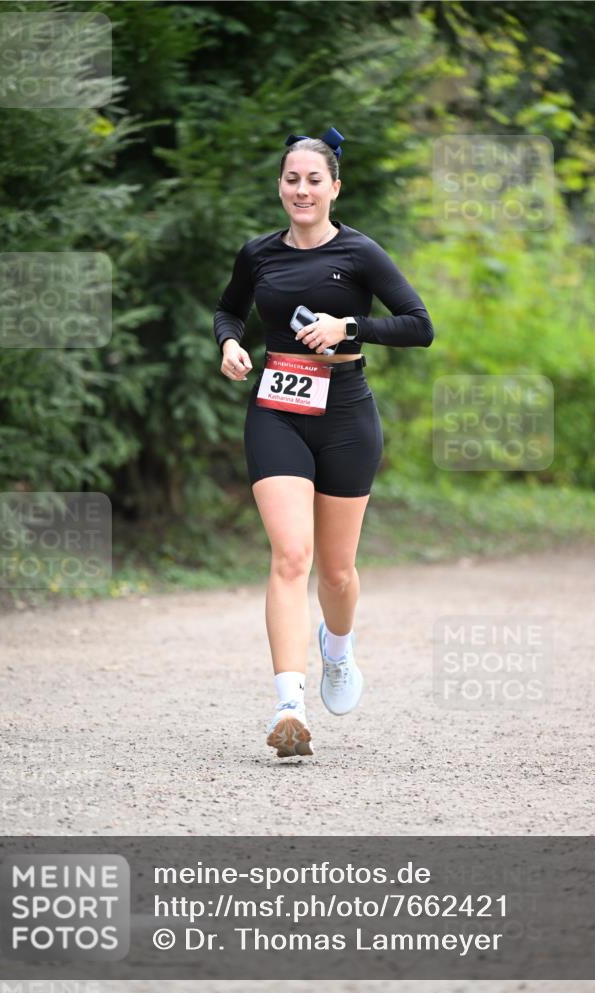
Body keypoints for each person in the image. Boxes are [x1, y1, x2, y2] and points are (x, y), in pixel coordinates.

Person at [214, 126, 434, 759]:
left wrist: (350, 325)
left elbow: (420, 327)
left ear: (334, 188)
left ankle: (337, 649)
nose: (301, 189)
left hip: (345, 413)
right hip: (278, 408)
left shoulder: (361, 253)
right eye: (291, 179)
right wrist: (230, 342)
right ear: (280, 186)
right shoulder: (258, 254)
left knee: (336, 572)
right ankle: (289, 704)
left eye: (314, 180)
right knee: (291, 555)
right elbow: (230, 310)